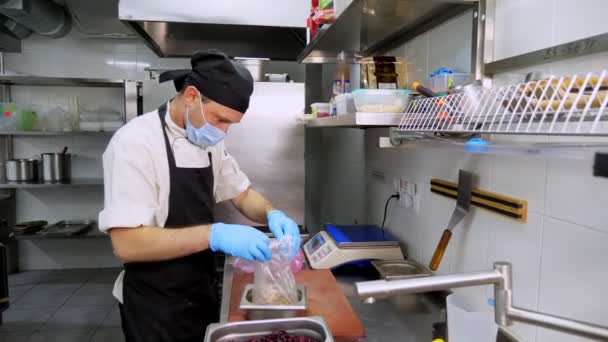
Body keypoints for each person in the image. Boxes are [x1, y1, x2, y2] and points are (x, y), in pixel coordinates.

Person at [98, 50, 301, 342]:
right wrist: (215, 235)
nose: (223, 131)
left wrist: (272, 213)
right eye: (220, 120)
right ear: (191, 96)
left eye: (230, 123)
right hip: (156, 306)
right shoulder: (135, 143)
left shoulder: (208, 142)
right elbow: (127, 243)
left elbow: (241, 194)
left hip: (201, 291)